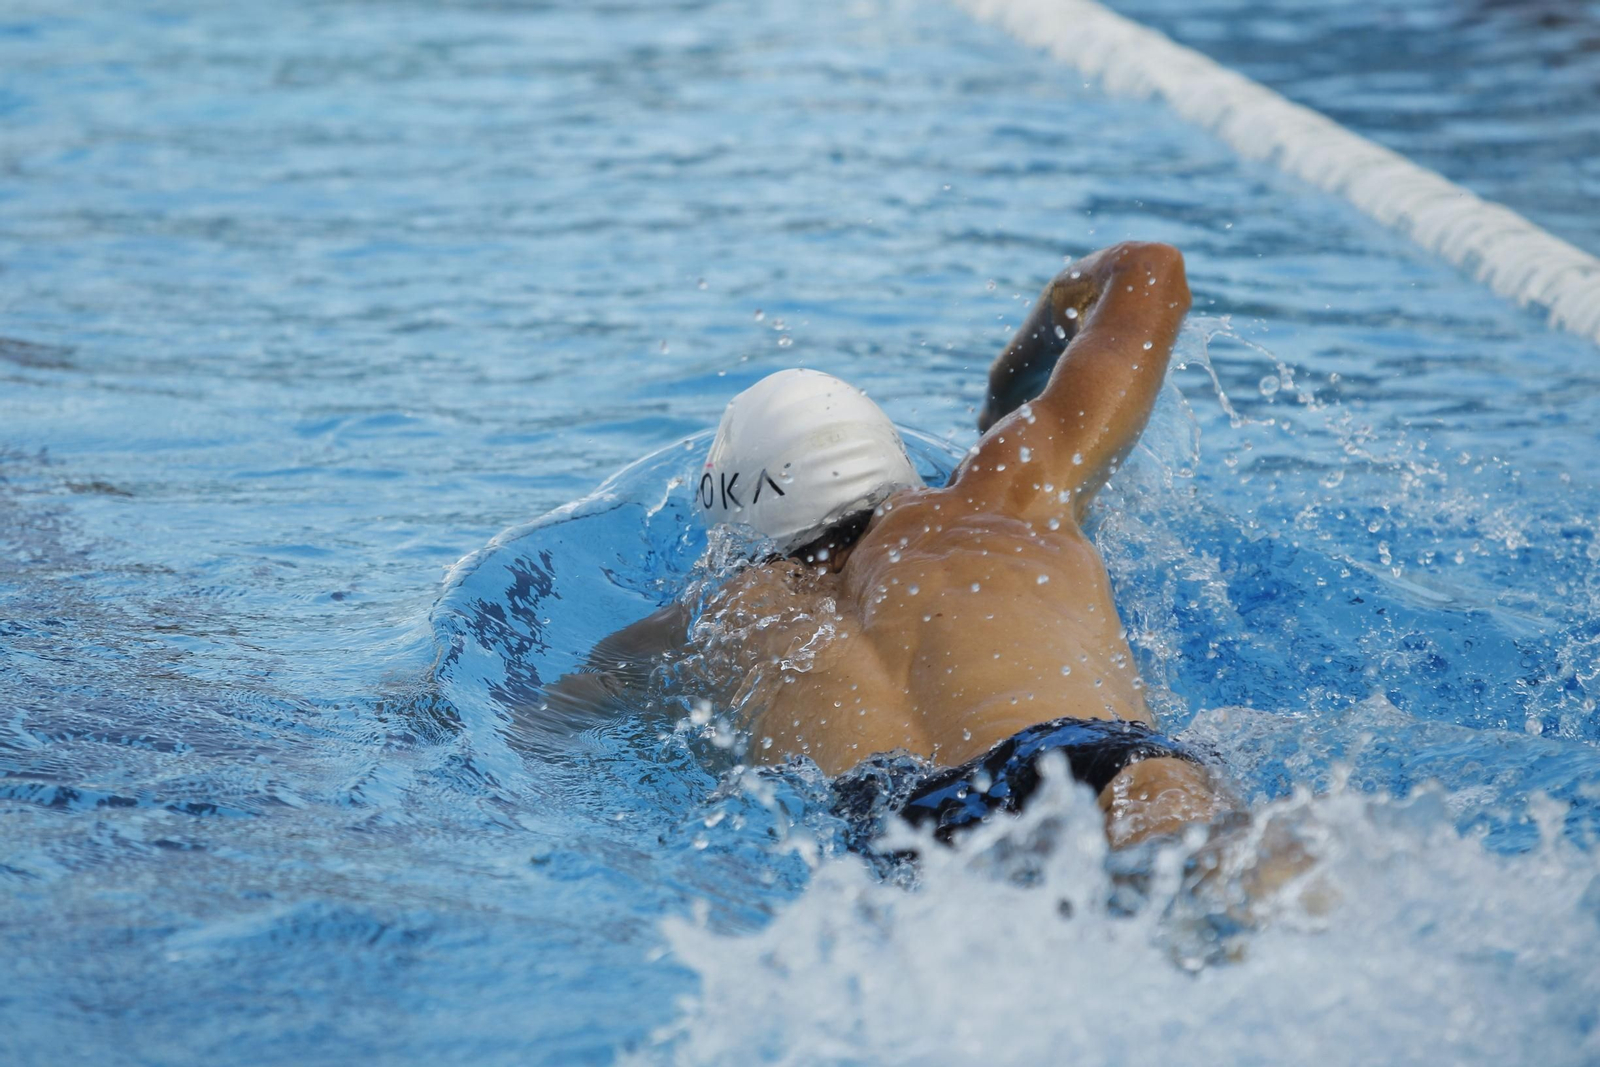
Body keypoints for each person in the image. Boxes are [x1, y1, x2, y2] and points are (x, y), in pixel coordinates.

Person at [550, 241, 1229, 850]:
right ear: (894, 458)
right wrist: (1011, 379)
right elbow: (1150, 269)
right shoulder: (1002, 496)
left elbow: (541, 720)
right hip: (1082, 756)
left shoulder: (707, 620)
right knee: (1215, 860)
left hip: (894, 818)